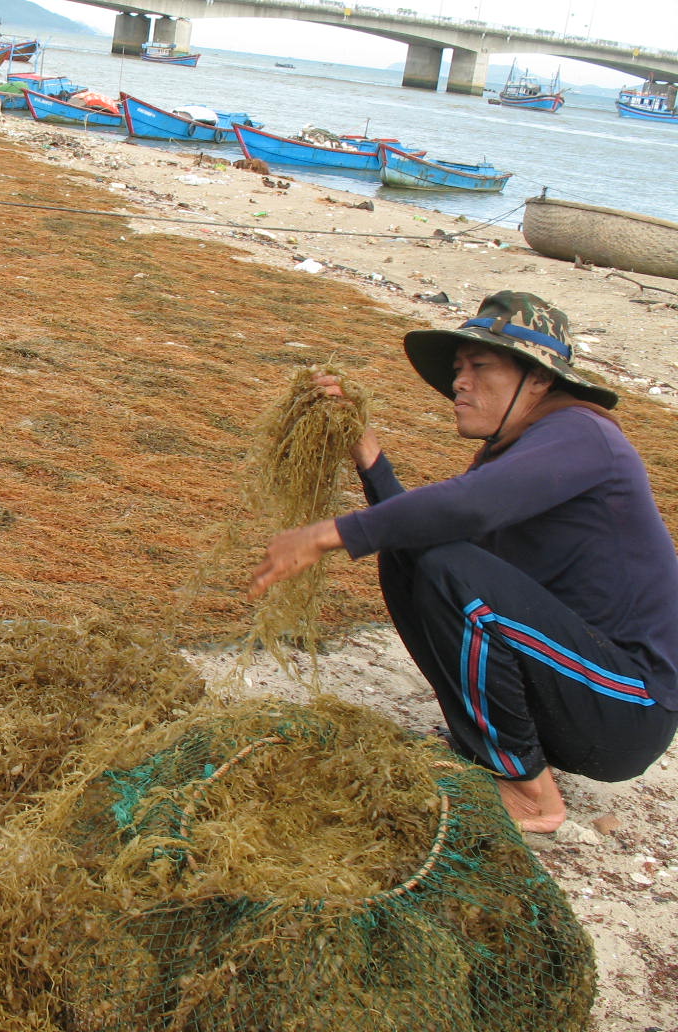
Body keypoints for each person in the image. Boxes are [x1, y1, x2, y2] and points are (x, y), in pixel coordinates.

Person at [249, 292, 678, 833]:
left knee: (448, 567)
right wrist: (368, 454)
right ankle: (504, 752)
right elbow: (429, 530)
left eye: (479, 367)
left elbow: (463, 509)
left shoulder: (583, 434)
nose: (459, 383)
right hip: (576, 694)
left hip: (628, 706)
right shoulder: (519, 451)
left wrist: (328, 533)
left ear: (539, 380)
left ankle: (527, 791)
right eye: (458, 370)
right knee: (412, 555)